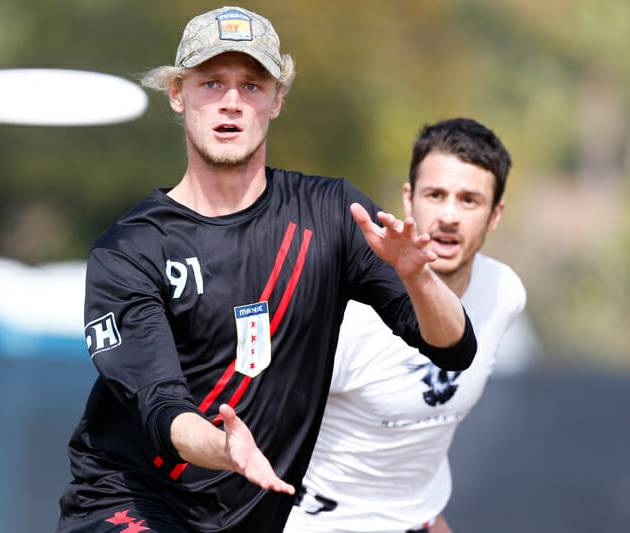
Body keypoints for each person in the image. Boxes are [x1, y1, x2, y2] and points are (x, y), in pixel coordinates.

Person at [56, 7, 477, 533]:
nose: (231, 101)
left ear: (277, 99)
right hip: (130, 502)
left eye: (252, 84)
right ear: (178, 93)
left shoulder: (333, 214)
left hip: (250, 514)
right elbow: (164, 411)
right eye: (211, 82)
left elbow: (453, 348)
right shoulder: (129, 249)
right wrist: (224, 446)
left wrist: (417, 277)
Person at [284, 118, 526, 533]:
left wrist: (427, 516)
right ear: (409, 198)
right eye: (436, 195)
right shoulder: (352, 314)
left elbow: (422, 434)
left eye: (469, 200)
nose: (449, 215)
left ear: (495, 214)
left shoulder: (504, 293)